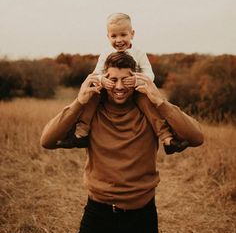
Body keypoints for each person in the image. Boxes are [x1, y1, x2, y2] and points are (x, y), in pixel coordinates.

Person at [40, 52, 204, 233]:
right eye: (112, 79)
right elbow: (46, 141)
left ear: (136, 79)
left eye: (125, 80)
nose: (118, 87)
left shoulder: (148, 111)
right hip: (98, 214)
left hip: (141, 216)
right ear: (102, 79)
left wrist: (158, 100)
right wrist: (80, 101)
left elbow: (196, 137)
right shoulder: (93, 111)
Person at [57, 12, 174, 151]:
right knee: (92, 96)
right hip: (109, 90)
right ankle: (81, 134)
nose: (118, 40)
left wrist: (137, 80)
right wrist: (102, 80)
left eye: (123, 35)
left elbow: (150, 74)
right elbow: (96, 74)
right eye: (114, 36)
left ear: (132, 34)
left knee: (148, 103)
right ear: (108, 37)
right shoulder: (106, 53)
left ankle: (167, 139)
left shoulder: (139, 53)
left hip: (133, 90)